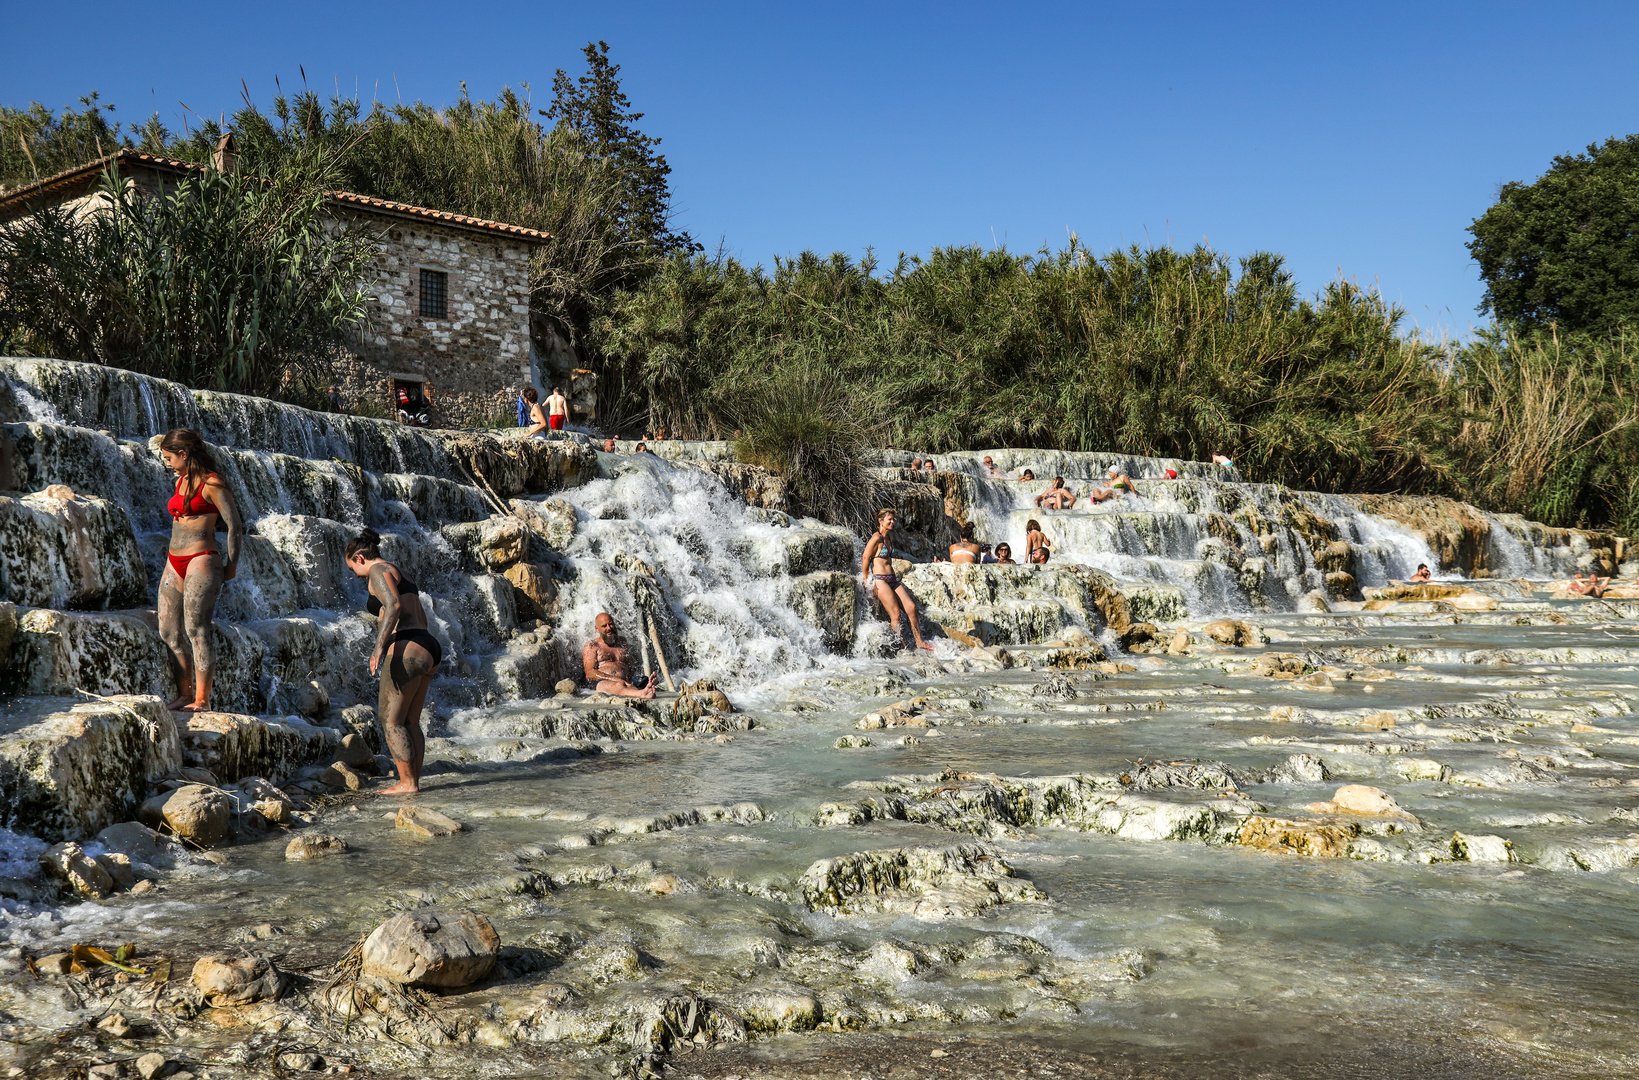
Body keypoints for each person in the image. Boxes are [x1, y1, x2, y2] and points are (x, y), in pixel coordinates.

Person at [346, 529, 442, 794]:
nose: (354, 574)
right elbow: (418, 612)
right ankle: (412, 781)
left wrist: (378, 649)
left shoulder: (377, 572)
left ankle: (407, 783)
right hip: (427, 645)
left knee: (391, 721)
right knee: (410, 722)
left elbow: (393, 606)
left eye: (353, 567)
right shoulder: (402, 572)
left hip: (406, 648)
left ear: (360, 558)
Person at [157, 429, 243, 713]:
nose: (167, 462)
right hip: (174, 560)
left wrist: (232, 564)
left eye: (170, 457)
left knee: (196, 629)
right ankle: (184, 695)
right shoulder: (180, 480)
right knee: (168, 631)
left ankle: (202, 700)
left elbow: (234, 526)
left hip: (202, 558)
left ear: (184, 454)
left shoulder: (213, 483)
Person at [862, 508, 933, 652]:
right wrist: (867, 579)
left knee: (911, 608)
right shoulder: (876, 537)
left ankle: (919, 642)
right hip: (881, 580)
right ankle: (902, 647)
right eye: (890, 519)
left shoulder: (889, 538)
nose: (893, 522)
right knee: (896, 614)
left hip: (892, 579)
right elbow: (865, 558)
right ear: (881, 521)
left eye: (893, 519)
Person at [582, 613, 656, 699]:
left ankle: (642, 690)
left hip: (624, 683)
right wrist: (617, 680)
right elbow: (590, 673)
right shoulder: (592, 645)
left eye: (611, 624)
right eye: (604, 626)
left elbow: (628, 668)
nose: (609, 628)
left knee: (644, 681)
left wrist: (642, 681)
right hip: (602, 683)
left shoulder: (622, 642)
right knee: (618, 685)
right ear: (597, 629)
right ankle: (641, 694)